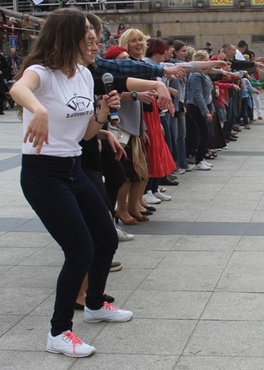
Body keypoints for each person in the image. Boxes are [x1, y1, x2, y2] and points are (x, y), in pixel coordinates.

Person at [10, 8, 132, 358]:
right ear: (68, 38)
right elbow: (19, 88)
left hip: (73, 168)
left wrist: (102, 116)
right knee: (79, 248)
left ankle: (94, 304)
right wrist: (40, 110)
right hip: (42, 173)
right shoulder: (41, 73)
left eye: (98, 39)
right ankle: (58, 332)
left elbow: (85, 134)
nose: (97, 44)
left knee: (106, 238)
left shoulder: (83, 74)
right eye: (90, 39)